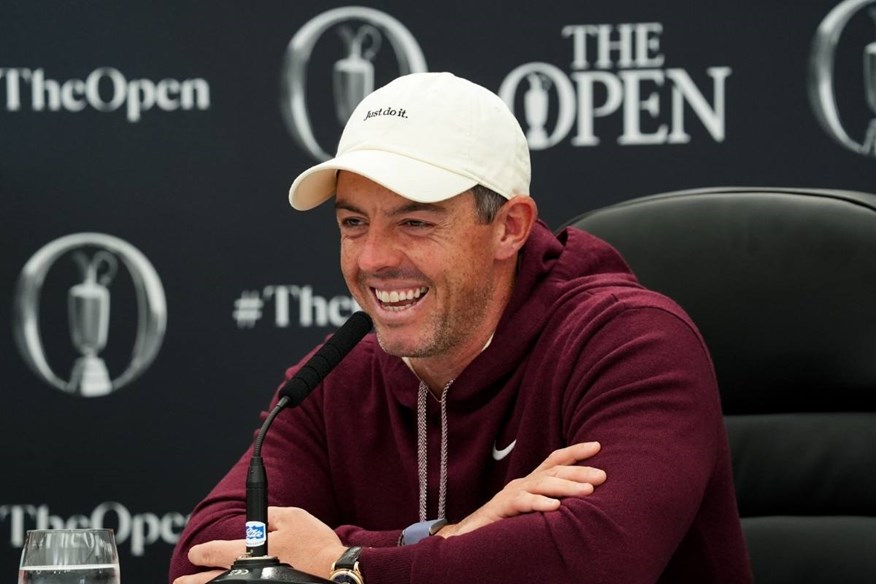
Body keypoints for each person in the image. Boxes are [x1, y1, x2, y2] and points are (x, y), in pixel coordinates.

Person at [170, 72, 751, 584]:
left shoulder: (632, 344)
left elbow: (595, 562)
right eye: (353, 222)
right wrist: (438, 538)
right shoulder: (333, 380)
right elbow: (206, 553)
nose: (372, 259)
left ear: (510, 228)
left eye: (415, 222)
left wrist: (343, 565)